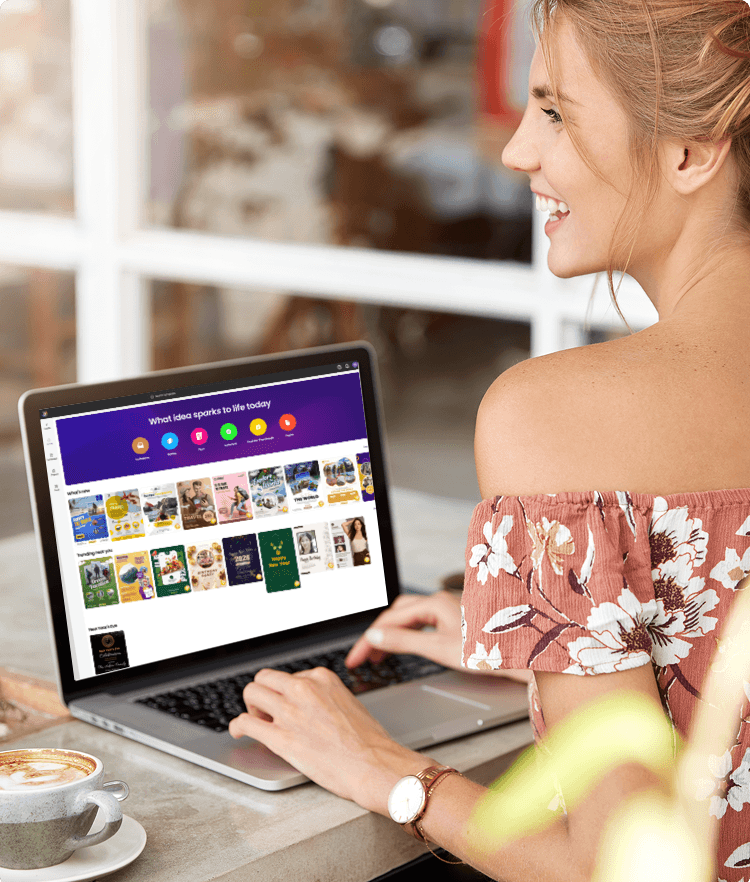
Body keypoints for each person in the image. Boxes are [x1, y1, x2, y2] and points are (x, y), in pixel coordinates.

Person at [229, 1, 750, 877]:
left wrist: (391, 773)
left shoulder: (553, 419)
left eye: (553, 109)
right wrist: (549, 645)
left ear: (690, 153)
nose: (516, 150)